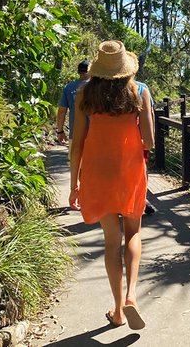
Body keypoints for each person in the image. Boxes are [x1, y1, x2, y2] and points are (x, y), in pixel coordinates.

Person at [69, 40, 154, 330]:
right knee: (133, 232)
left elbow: (76, 144)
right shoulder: (140, 91)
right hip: (130, 172)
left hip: (96, 172)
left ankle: (117, 312)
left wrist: (73, 185)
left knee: (111, 240)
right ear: (125, 68)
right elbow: (150, 141)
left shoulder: (83, 94)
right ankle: (131, 297)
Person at [56, 60, 90, 154]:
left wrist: (60, 131)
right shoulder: (98, 87)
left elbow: (62, 111)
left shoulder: (69, 87)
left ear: (79, 71)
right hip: (95, 134)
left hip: (75, 134)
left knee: (75, 165)